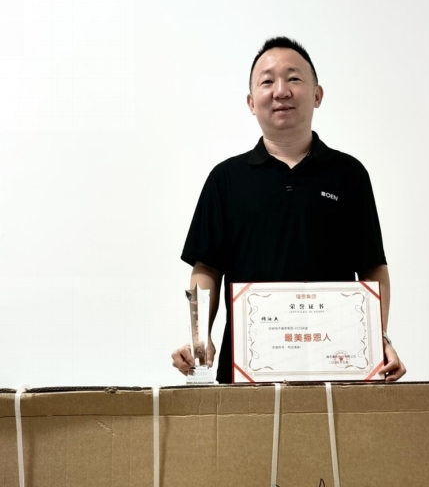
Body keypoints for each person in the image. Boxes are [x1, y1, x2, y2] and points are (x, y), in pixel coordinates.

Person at [172, 36, 406, 383]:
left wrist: (377, 340)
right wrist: (199, 338)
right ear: (251, 102)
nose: (280, 91)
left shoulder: (349, 175)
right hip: (246, 374)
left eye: (294, 78)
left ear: (317, 95)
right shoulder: (226, 179)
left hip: (336, 371)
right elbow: (206, 268)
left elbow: (372, 266)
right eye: (267, 81)